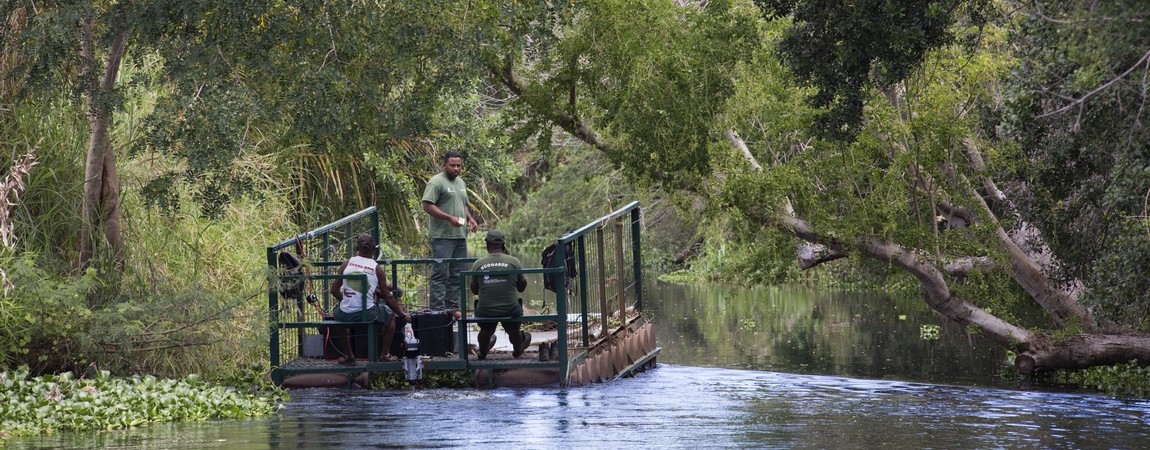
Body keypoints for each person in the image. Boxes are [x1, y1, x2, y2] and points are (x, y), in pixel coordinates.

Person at [328, 234, 411, 364]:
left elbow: (333, 290)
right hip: (366, 313)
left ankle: (349, 355)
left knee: (338, 314)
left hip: (345, 314)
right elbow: (388, 297)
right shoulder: (376, 268)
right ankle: (385, 354)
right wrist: (402, 314)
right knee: (389, 316)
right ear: (374, 250)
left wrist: (347, 302)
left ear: (357, 248)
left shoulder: (346, 264)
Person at [422, 151, 477, 310]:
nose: (456, 168)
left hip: (460, 237)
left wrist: (470, 219)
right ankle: (437, 311)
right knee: (440, 275)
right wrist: (448, 218)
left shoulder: (461, 183)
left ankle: (452, 310)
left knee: (457, 276)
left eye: (458, 165)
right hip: (442, 237)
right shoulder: (436, 182)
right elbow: (427, 205)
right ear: (445, 165)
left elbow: (463, 204)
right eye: (452, 165)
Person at [469, 230, 531, 359]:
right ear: (503, 245)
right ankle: (518, 345)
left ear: (487, 245)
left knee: (486, 330)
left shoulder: (478, 263)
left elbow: (474, 290)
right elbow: (521, 287)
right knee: (513, 328)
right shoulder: (514, 262)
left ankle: (483, 350)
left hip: (486, 311)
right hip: (510, 309)